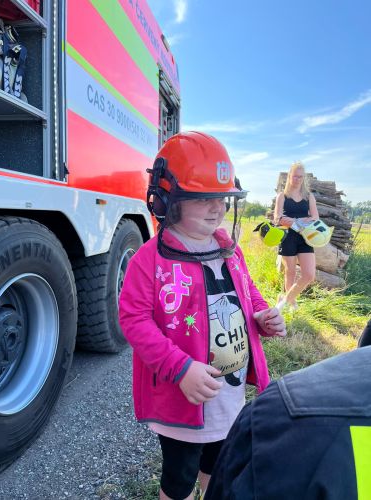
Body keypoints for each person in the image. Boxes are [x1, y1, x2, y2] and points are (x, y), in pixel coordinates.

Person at [119, 131, 286, 500]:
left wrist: (261, 314)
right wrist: (179, 367)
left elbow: (246, 291)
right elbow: (133, 319)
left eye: (223, 198)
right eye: (203, 198)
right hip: (185, 395)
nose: (218, 208)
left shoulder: (229, 250)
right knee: (179, 478)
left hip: (228, 391)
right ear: (167, 200)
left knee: (220, 464)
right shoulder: (150, 260)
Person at [205, 346, 371, 500]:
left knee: (208, 465)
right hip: (194, 422)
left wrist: (264, 320)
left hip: (232, 413)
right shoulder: (286, 416)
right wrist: (183, 367)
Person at [274, 161, 319, 310]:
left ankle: (284, 300)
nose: (297, 179)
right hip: (288, 237)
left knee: (309, 275)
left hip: (305, 236)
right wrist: (296, 221)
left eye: (300, 177)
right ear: (289, 177)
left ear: (303, 178)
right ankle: (290, 304)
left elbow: (315, 218)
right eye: (295, 176)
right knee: (290, 271)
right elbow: (278, 218)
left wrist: (294, 220)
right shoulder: (283, 196)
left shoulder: (308, 196)